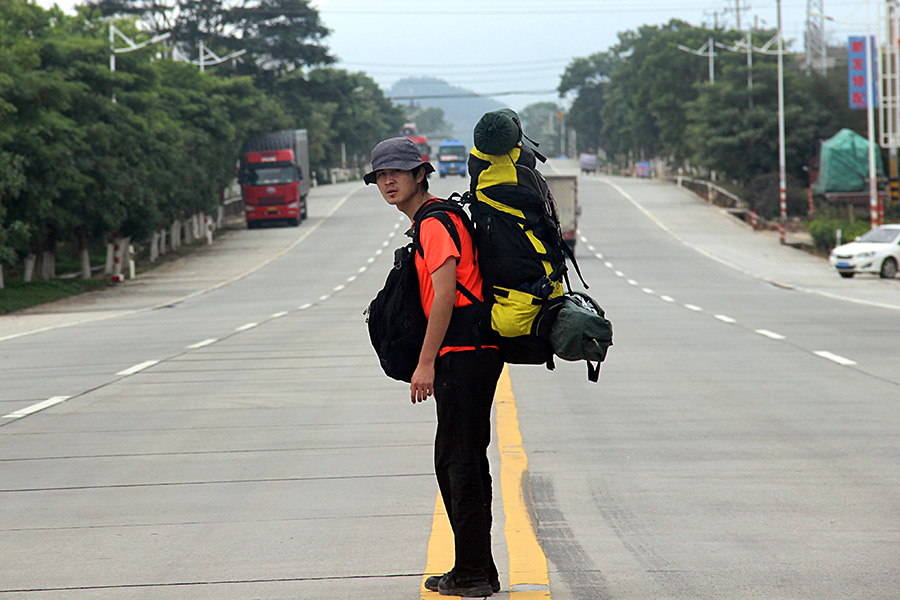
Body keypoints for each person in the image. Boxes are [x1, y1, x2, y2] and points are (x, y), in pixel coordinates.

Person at [364, 137, 504, 597]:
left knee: (458, 462)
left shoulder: (435, 223)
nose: (388, 181)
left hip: (464, 353)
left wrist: (425, 364)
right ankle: (477, 568)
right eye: (381, 175)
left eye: (397, 173)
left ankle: (473, 575)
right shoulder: (434, 218)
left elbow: (445, 294)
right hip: (469, 353)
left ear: (420, 174)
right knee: (460, 460)